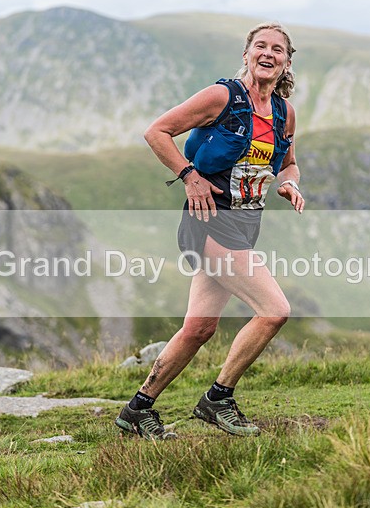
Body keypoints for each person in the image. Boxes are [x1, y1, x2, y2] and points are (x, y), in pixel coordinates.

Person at [115, 22, 305, 440]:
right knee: (275, 310)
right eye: (260, 46)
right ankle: (218, 399)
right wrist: (188, 175)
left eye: (277, 49)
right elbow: (157, 132)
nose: (268, 53)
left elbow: (287, 162)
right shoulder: (222, 97)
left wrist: (290, 182)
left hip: (245, 223)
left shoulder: (282, 112)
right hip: (209, 222)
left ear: (287, 62)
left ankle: (137, 410)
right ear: (246, 54)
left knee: (199, 329)